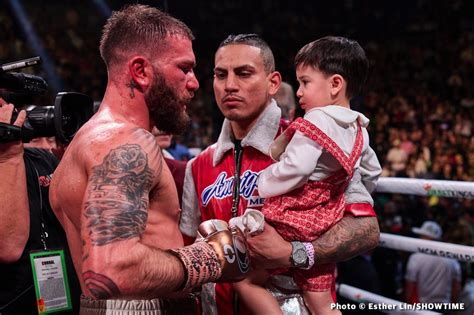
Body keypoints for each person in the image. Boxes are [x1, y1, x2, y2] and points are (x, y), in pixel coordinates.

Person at [49, 5, 249, 314]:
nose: (195, 82)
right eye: (184, 68)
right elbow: (110, 272)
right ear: (140, 71)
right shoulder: (126, 141)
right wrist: (209, 259)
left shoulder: (84, 141)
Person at [180, 33, 381, 315]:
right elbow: (189, 247)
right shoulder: (199, 165)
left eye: (244, 73)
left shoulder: (316, 144)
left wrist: (295, 252)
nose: (230, 85)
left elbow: (367, 230)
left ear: (273, 82)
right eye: (220, 75)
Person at [0, 100, 81, 314]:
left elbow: (75, 223)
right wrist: (9, 158)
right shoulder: (10, 157)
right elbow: (8, 247)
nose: (6, 108)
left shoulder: (42, 157)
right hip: (13, 301)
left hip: (62, 294)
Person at [404, 221, 461, 304]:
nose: (420, 238)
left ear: (427, 237)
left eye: (422, 236)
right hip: (445, 306)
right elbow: (456, 288)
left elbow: (409, 287)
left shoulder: (416, 258)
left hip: (423, 307)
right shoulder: (451, 259)